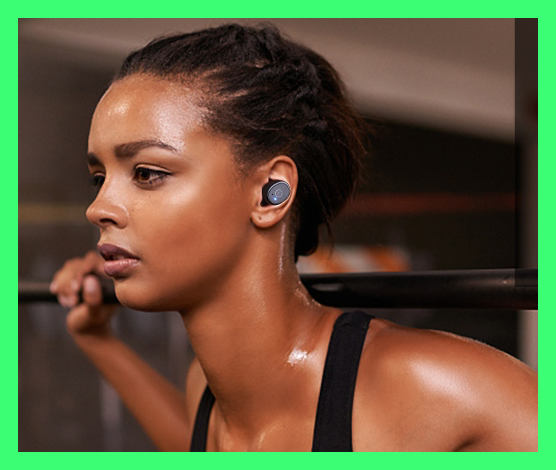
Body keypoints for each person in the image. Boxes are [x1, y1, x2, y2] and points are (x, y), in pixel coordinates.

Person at [49, 23, 537, 452]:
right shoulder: (209, 391)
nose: (99, 208)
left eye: (147, 173)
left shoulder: (428, 390)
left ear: (269, 192)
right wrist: (99, 340)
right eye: (100, 178)